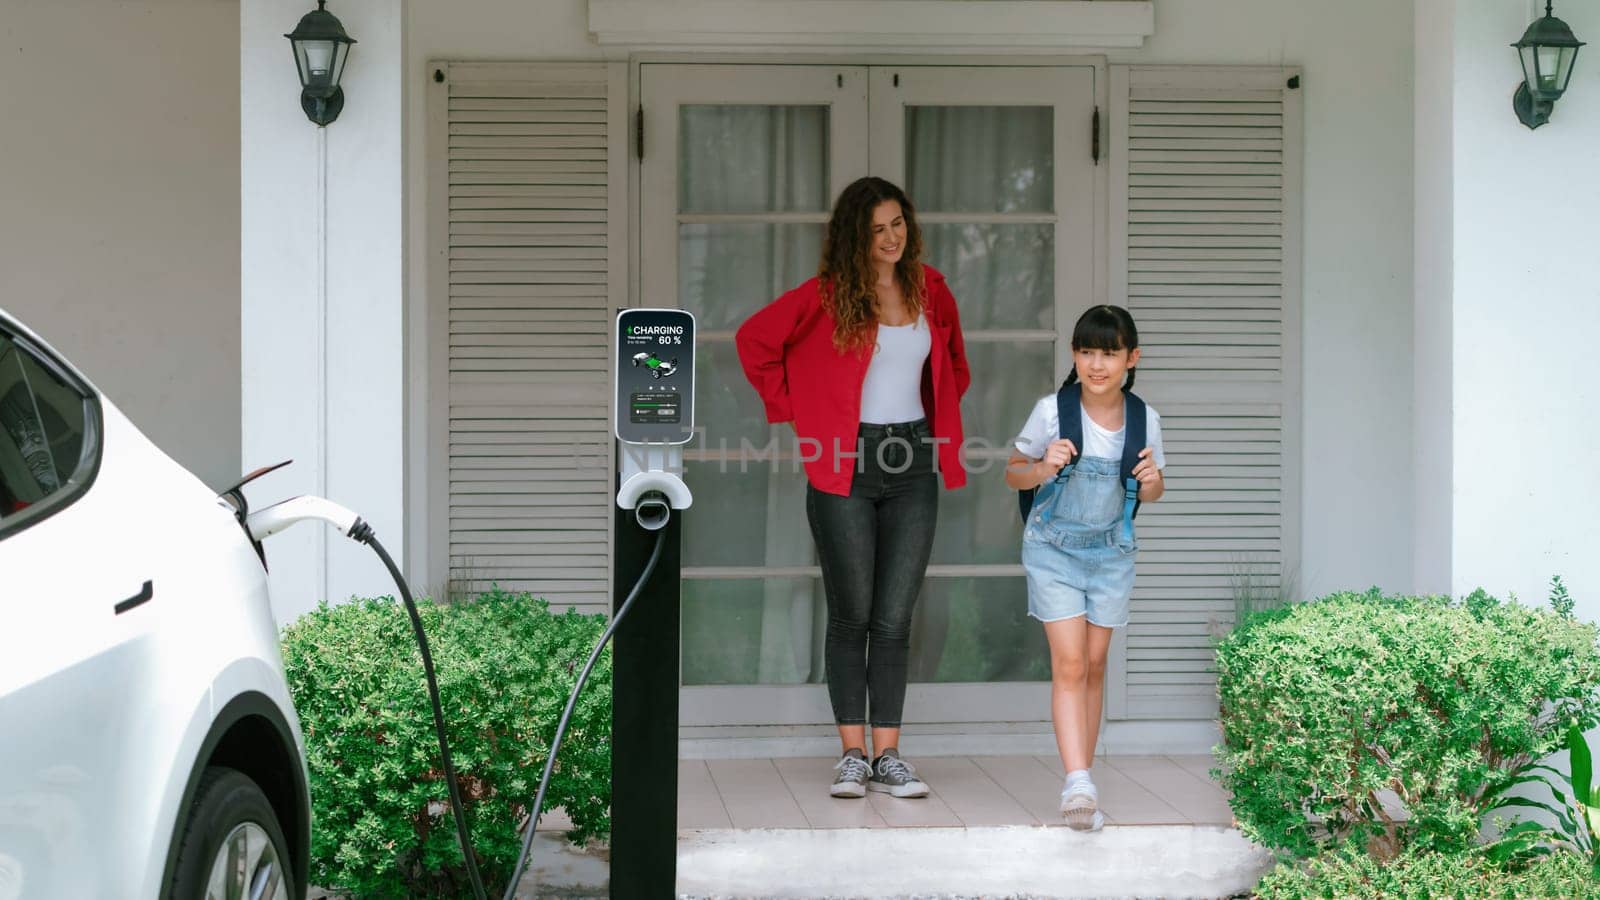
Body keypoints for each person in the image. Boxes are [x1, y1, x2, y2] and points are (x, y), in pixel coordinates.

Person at [736, 176, 970, 800]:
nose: (891, 238)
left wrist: (937, 417)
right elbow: (754, 342)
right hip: (845, 460)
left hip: (914, 460)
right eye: (876, 229)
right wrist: (799, 411)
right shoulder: (827, 297)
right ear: (854, 237)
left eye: (897, 224)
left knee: (894, 619)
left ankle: (889, 755)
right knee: (852, 614)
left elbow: (954, 368)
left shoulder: (933, 291)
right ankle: (851, 755)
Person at [1004, 305, 1166, 830]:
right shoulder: (1052, 411)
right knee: (1070, 664)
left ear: (1131, 358)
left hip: (1111, 553)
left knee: (1095, 665)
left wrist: (1150, 481)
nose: (1097, 363)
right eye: (1087, 351)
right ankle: (1077, 782)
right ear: (1075, 355)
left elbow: (1155, 489)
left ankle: (1085, 780)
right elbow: (1013, 474)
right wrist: (1042, 466)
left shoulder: (1146, 419)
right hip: (1054, 549)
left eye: (1109, 352)